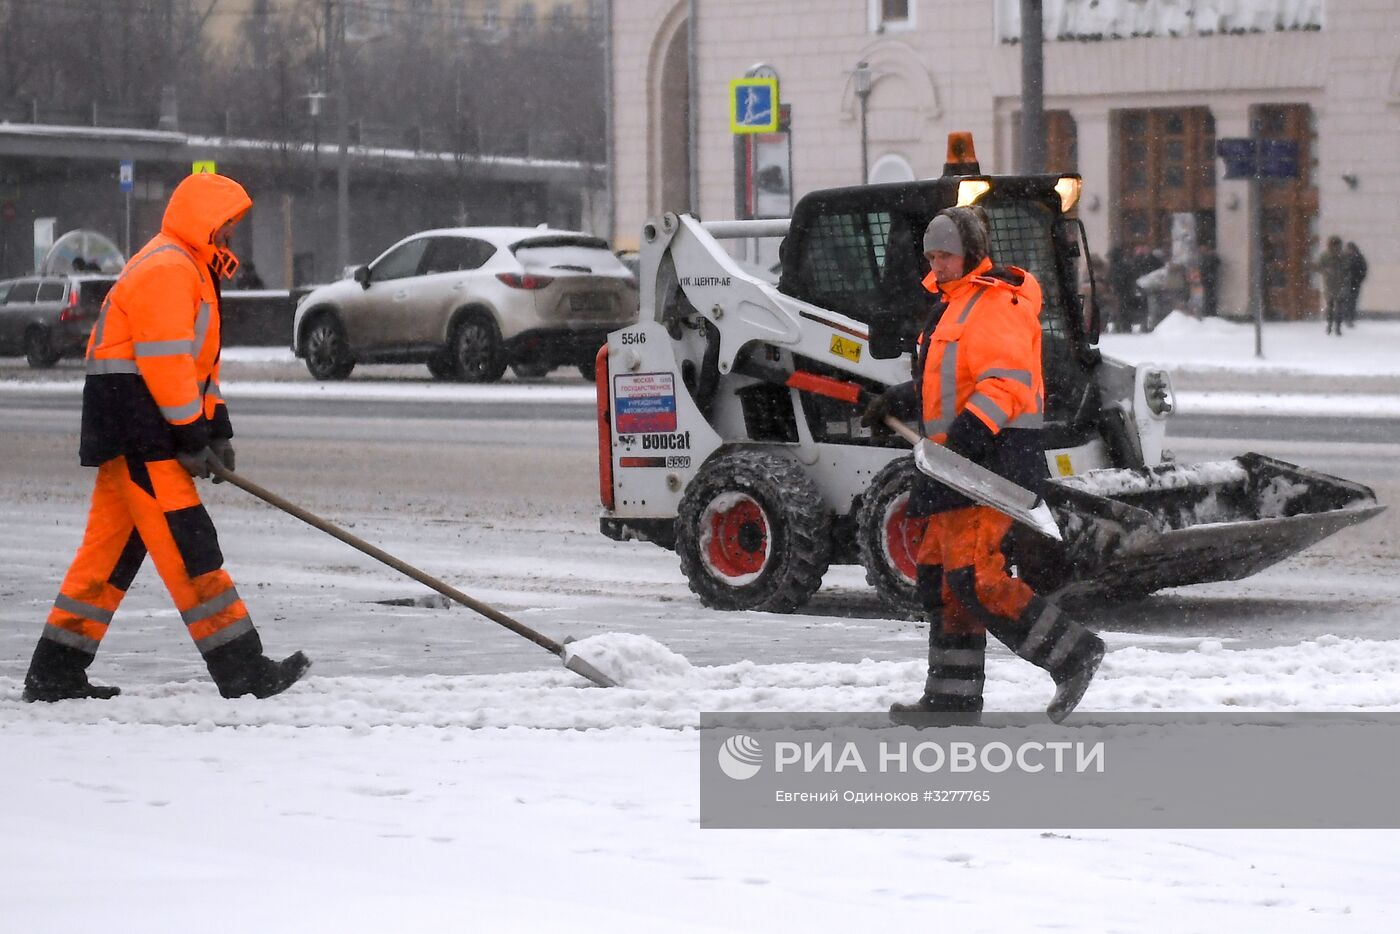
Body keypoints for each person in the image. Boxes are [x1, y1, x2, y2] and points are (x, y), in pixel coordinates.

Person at [22, 172, 310, 703]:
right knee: (189, 545)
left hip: (138, 427)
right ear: (203, 223)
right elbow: (164, 365)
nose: (229, 237)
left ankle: (55, 672)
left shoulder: (192, 269)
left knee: (106, 557)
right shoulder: (169, 268)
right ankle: (244, 672)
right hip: (140, 428)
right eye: (224, 227)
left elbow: (198, 370)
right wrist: (190, 433)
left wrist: (215, 427)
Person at [862, 207, 1105, 725]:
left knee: (977, 577)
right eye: (931, 255)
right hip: (952, 465)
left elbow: (1005, 387)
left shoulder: (996, 302)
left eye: (945, 254)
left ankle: (1073, 653)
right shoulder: (952, 306)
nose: (938, 264)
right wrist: (900, 400)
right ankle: (952, 699)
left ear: (969, 253)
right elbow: (953, 379)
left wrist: (967, 440)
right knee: (944, 583)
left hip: (988, 464)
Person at [1317, 236, 1347, 336]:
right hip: (1329, 284)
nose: (1335, 248)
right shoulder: (1325, 256)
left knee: (1338, 307)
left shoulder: (1343, 256)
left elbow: (1347, 269)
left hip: (1340, 284)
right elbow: (1319, 267)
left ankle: (1337, 326)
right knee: (1330, 306)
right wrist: (1326, 270)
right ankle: (1330, 325)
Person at [1342, 241, 1367, 328]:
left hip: (1354, 283)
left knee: (1351, 301)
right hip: (1347, 283)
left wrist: (1358, 279)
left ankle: (1349, 318)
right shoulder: (1345, 257)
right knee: (1346, 301)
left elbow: (1363, 270)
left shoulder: (1358, 258)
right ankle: (1346, 318)